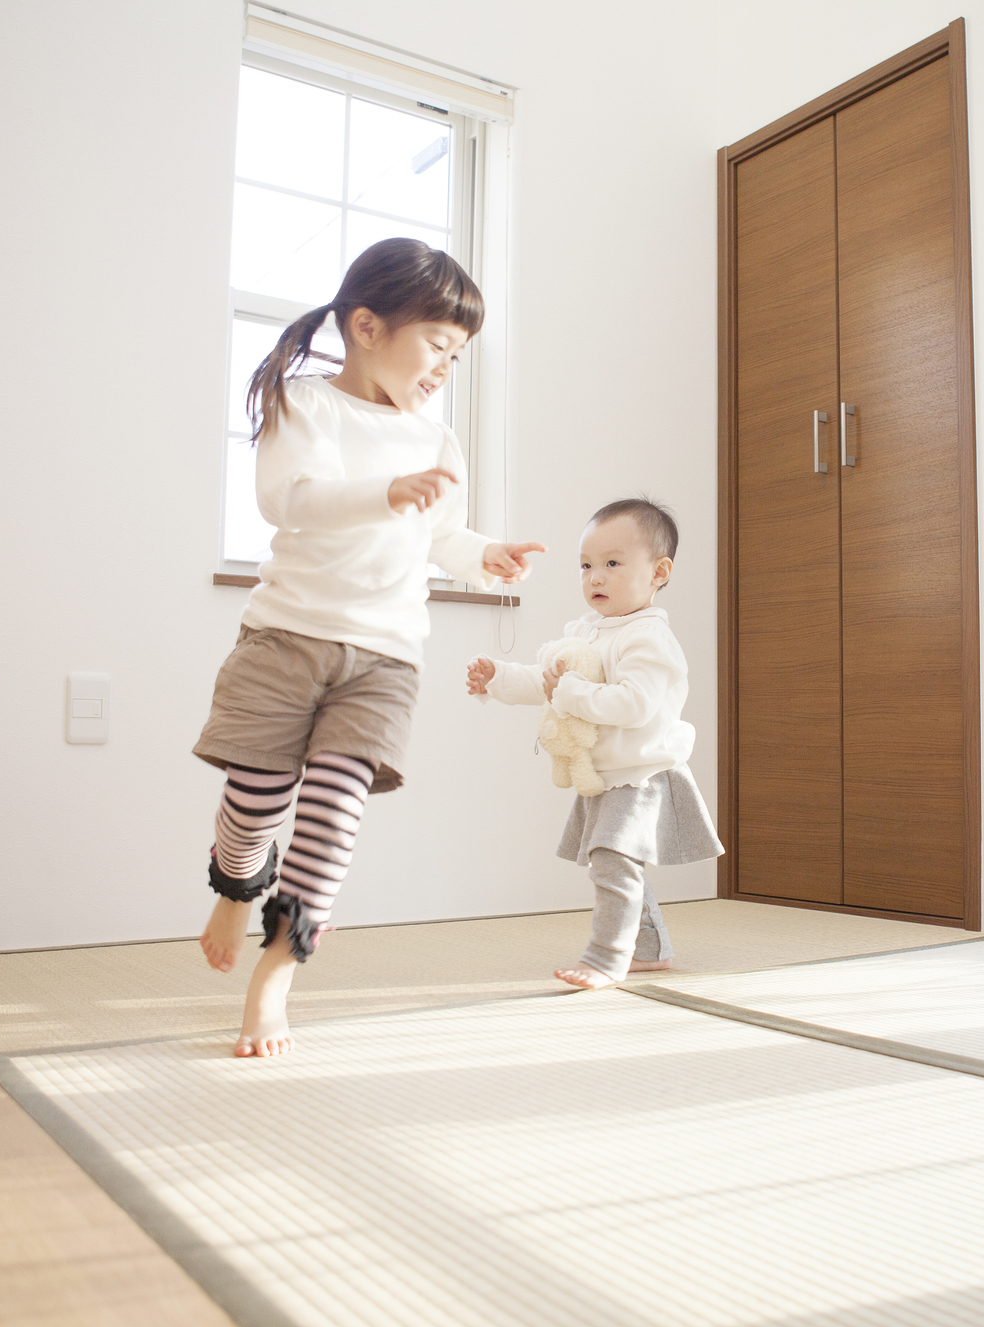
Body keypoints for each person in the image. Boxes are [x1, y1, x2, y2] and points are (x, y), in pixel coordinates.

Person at [194, 237, 544, 1057]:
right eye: (436, 345)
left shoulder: (435, 440)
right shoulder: (306, 404)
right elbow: (292, 500)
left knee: (333, 813)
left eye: (457, 357)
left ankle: (277, 971)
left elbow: (443, 534)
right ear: (366, 326)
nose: (443, 368)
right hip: (287, 637)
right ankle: (236, 879)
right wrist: (386, 491)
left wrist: (481, 552)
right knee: (258, 796)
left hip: (386, 655)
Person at [467, 498, 722, 988]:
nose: (595, 577)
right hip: (608, 777)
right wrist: (498, 679)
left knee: (612, 863)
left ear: (658, 572)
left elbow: (634, 704)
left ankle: (607, 957)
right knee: (617, 862)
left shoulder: (648, 638)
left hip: (642, 776)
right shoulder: (586, 631)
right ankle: (646, 948)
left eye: (612, 563)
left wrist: (568, 690)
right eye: (586, 565)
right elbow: (547, 682)